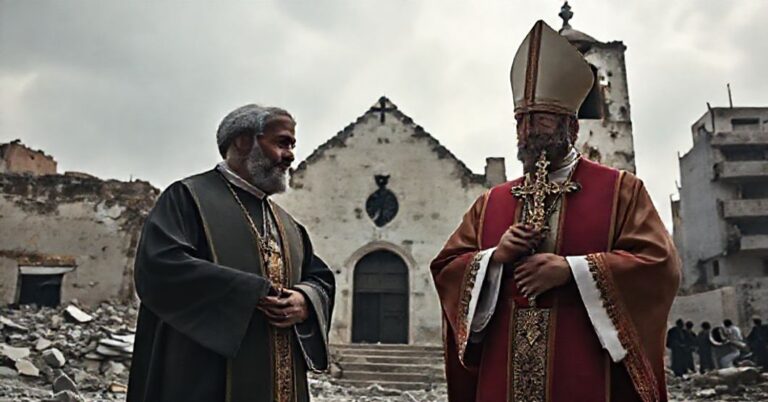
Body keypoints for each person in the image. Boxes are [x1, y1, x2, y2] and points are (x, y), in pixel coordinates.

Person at [430, 20, 680, 402]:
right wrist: (494, 259)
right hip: (504, 373)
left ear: (572, 126)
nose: (528, 131)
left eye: (540, 120)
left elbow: (658, 264)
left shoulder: (622, 191)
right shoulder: (491, 203)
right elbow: (447, 266)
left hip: (585, 372)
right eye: (521, 121)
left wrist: (573, 270)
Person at [127, 105, 335, 402]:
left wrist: (304, 301)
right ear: (242, 141)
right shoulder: (188, 198)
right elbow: (160, 267)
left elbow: (320, 278)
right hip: (203, 378)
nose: (290, 155)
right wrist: (251, 293)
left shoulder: (288, 225)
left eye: (292, 145)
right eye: (281, 143)